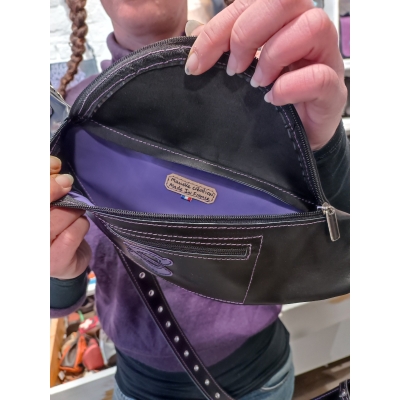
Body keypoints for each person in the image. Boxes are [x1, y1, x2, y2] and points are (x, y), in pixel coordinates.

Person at [50, 1, 350, 399]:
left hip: (261, 376)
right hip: (144, 385)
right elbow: (59, 300)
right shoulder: (65, 123)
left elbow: (337, 244)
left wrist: (324, 146)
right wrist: (57, 269)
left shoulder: (261, 86)